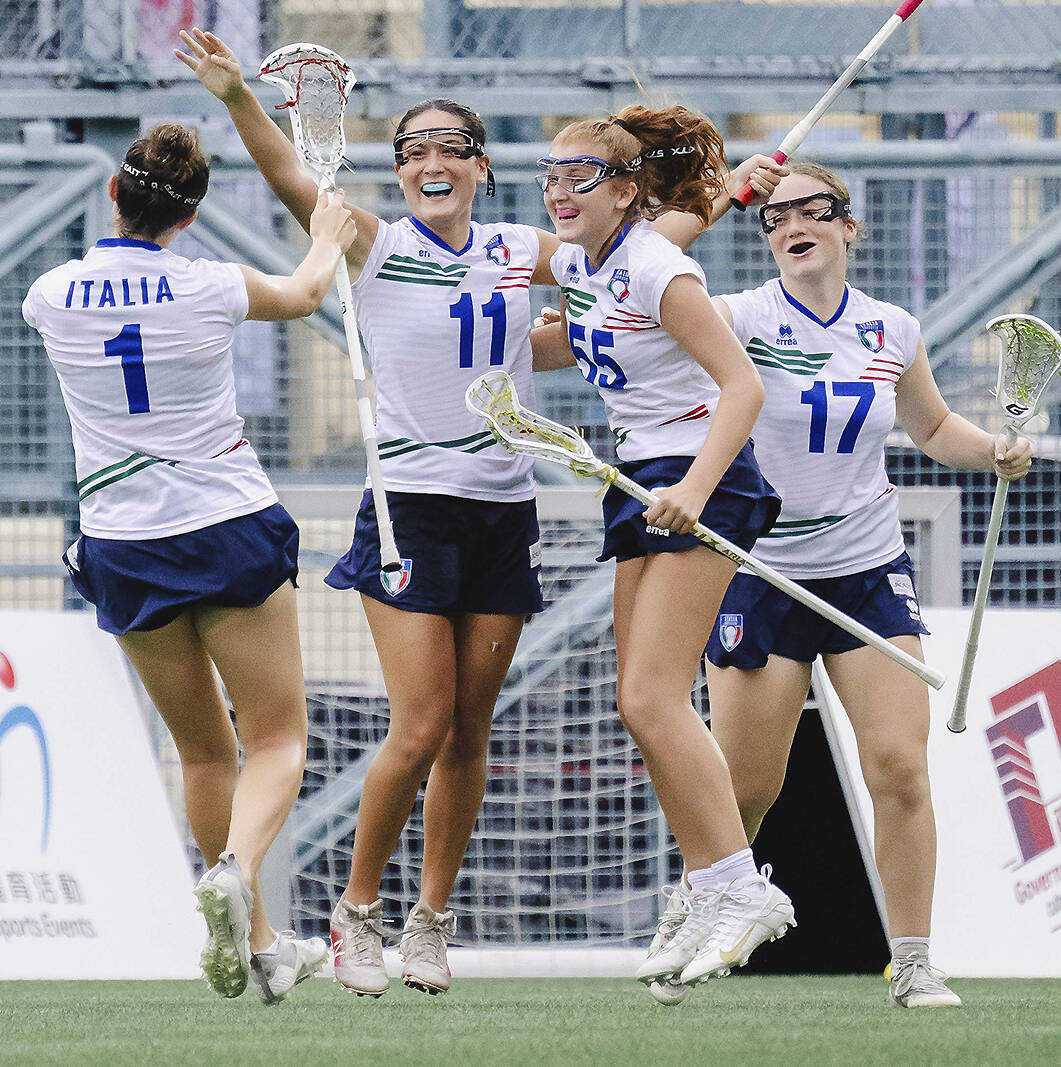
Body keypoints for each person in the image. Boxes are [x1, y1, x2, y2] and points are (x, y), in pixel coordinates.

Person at [176, 26, 786, 999]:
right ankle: (357, 911)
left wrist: (726, 196)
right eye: (412, 148)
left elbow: (623, 260)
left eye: (450, 146)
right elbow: (292, 174)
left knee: (470, 731)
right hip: (407, 510)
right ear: (400, 170)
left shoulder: (521, 250)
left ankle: (430, 918)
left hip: (501, 509)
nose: (429, 160)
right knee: (416, 726)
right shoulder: (371, 243)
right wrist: (237, 98)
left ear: (480, 165)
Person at [21, 123, 358, 1005]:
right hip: (224, 524)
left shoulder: (50, 294)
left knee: (205, 754)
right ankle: (237, 870)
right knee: (278, 737)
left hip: (123, 544)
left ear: (113, 195)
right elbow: (306, 291)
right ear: (195, 211)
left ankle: (259, 944)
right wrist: (325, 234)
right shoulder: (213, 284)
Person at [701, 160, 1033, 1008]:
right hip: (763, 571)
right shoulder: (738, 317)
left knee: (899, 765)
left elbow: (930, 427)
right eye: (774, 217)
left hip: (866, 571)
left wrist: (992, 449)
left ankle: (915, 958)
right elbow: (651, 315)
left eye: (813, 210)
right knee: (746, 787)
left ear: (849, 227)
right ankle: (703, 917)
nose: (791, 225)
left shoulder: (893, 329)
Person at [531, 109, 797, 1005]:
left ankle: (739, 887)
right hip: (635, 480)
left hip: (700, 482)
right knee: (639, 704)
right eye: (551, 173)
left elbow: (742, 385)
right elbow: (575, 337)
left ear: (625, 189)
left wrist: (693, 485)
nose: (560, 190)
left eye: (581, 175)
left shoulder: (657, 265)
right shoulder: (582, 263)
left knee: (652, 693)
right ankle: (704, 887)